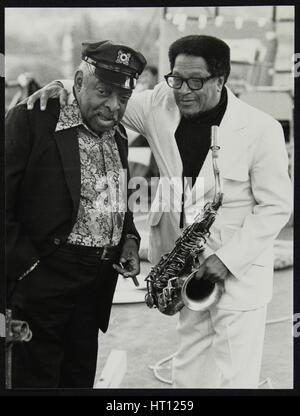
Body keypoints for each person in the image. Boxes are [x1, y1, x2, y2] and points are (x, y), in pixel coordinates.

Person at [26, 35, 292, 389]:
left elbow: (276, 206)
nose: (183, 90)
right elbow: (102, 90)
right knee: (189, 372)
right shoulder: (158, 104)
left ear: (220, 80)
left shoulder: (262, 129)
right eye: (176, 78)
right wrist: (59, 86)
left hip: (238, 273)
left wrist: (227, 260)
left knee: (236, 377)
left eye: (195, 81)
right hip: (184, 269)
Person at [6, 40, 146, 388]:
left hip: (95, 285)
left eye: (122, 98)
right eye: (103, 91)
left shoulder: (120, 135)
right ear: (79, 82)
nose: (113, 106)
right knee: (35, 379)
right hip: (43, 275)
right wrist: (28, 270)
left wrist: (128, 236)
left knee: (78, 378)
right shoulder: (32, 118)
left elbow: (116, 195)